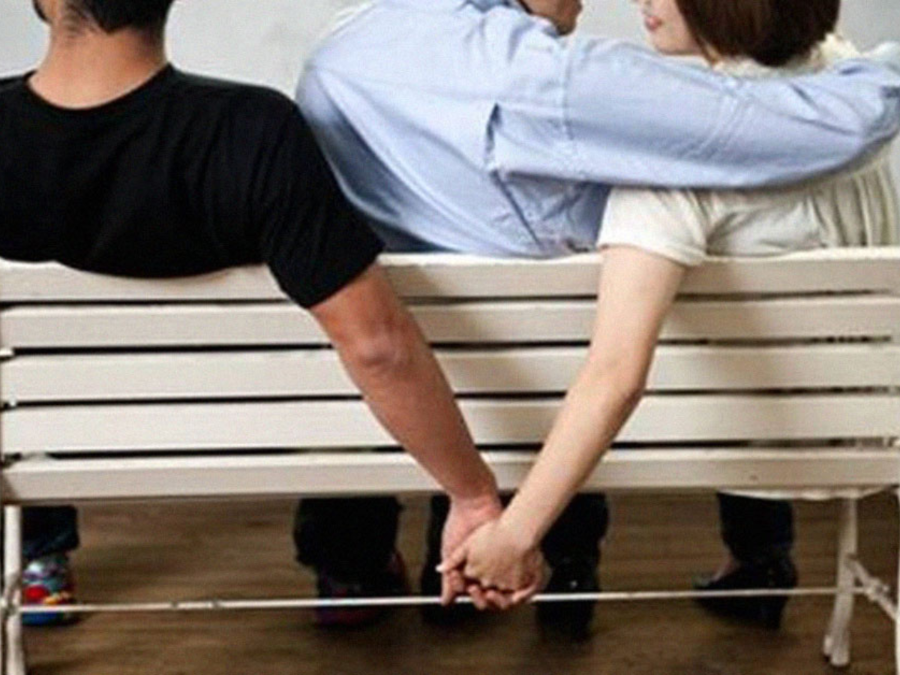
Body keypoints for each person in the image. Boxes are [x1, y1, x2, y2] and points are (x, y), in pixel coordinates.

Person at [295, 0, 900, 632]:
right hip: (842, 427)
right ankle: (591, 562)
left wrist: (501, 522)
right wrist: (887, 68)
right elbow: (818, 122)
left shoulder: (350, 42)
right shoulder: (574, 94)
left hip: (395, 390)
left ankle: (355, 566)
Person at [0, 0, 506, 623]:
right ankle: (349, 568)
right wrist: (473, 497)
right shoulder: (253, 131)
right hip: (252, 433)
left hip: (49, 443)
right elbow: (377, 348)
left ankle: (39, 559)